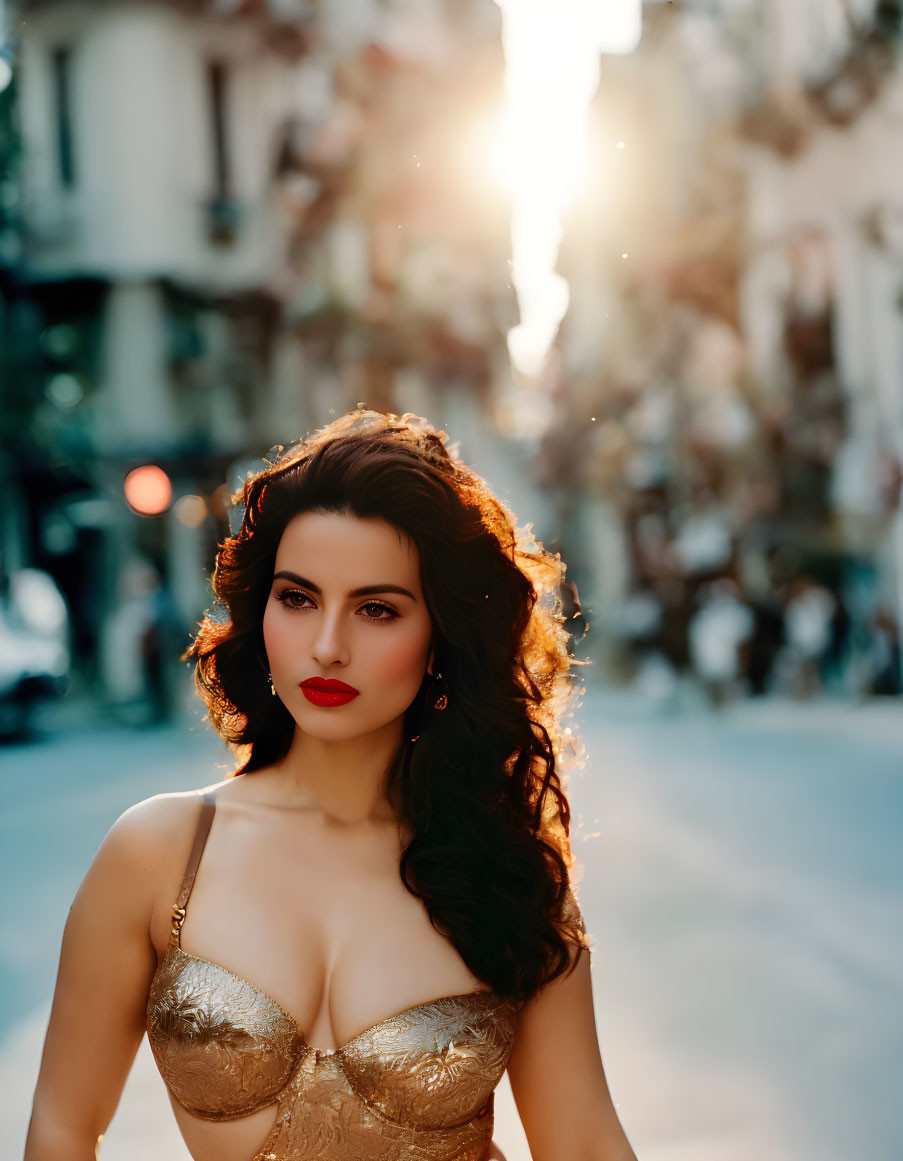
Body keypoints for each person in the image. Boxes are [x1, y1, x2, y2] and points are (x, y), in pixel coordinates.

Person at [24, 410, 639, 1161]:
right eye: (298, 597)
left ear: (439, 637)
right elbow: (61, 1125)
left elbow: (582, 1143)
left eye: (376, 609)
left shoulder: (506, 871)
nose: (327, 647)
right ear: (261, 611)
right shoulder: (158, 854)